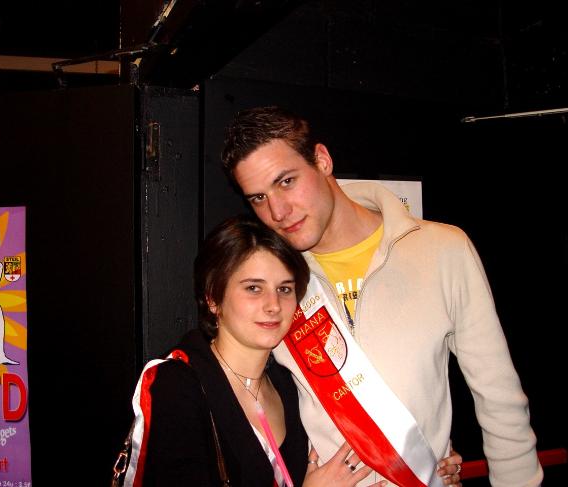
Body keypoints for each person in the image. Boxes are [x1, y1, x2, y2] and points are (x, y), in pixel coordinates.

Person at [221, 106, 543, 487]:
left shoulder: (443, 250)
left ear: (322, 160)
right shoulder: (273, 279)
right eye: (258, 198)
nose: (277, 211)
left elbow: (500, 402)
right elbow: (236, 395)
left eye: (287, 181)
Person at [124, 215, 462, 487]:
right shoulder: (177, 385)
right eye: (253, 288)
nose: (273, 305)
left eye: (285, 289)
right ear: (213, 298)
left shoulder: (290, 381)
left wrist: (432, 462)